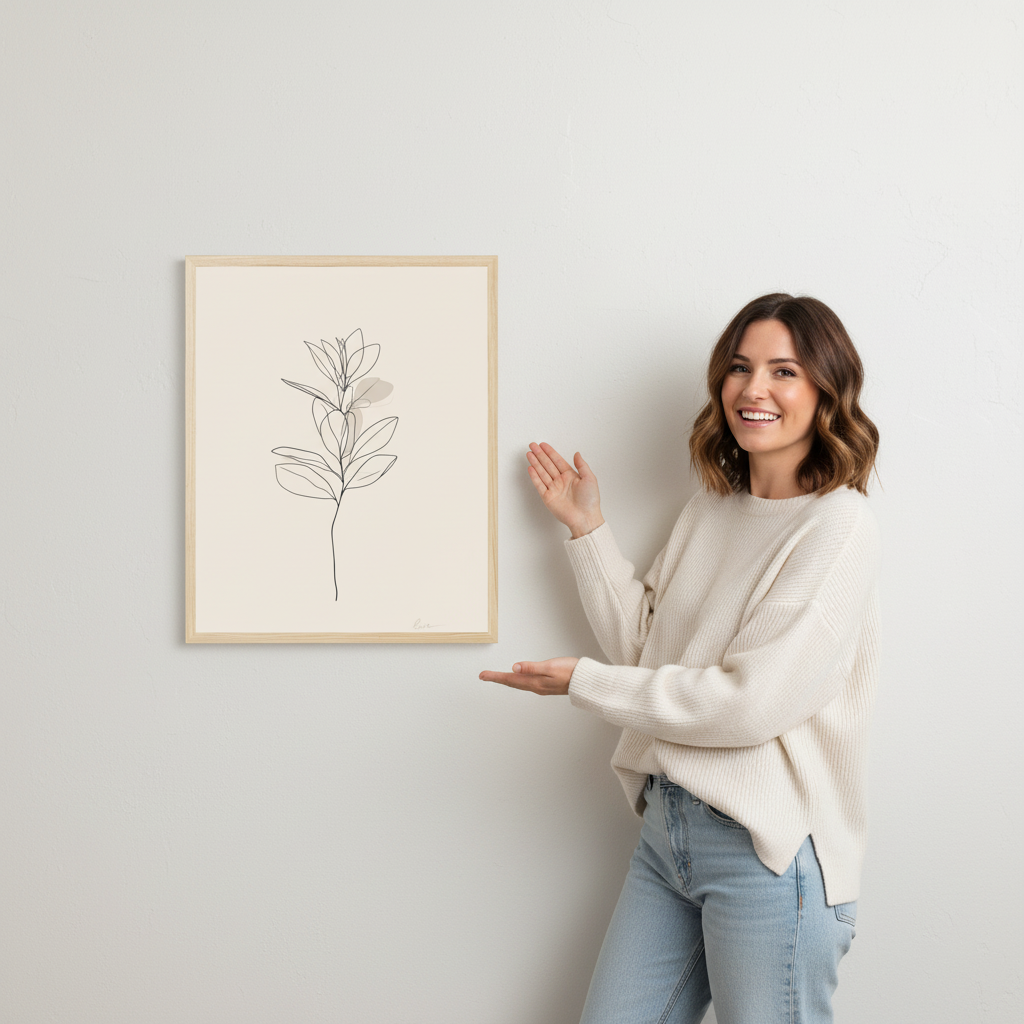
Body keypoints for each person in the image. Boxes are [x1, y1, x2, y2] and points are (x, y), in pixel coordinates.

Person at [479, 293, 880, 1024]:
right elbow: (648, 654)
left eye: (783, 371)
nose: (753, 389)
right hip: (669, 835)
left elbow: (749, 704)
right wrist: (587, 529)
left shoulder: (838, 527)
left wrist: (584, 685)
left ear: (826, 391)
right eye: (739, 368)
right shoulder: (710, 512)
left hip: (768, 853)